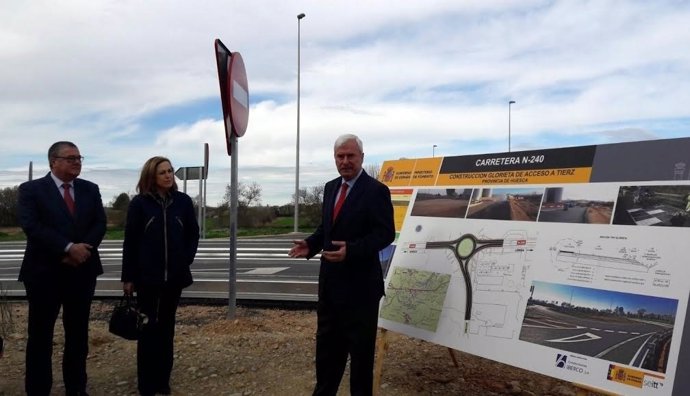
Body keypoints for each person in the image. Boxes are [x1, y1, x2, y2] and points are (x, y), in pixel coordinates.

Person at [289, 134, 395, 396]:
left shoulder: (376, 191)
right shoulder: (330, 187)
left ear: (361, 157)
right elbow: (326, 228)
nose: (345, 161)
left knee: (360, 362)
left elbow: (385, 234)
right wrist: (311, 245)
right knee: (327, 355)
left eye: (350, 156)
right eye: (340, 156)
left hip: (361, 292)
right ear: (335, 158)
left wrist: (353, 250)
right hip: (330, 289)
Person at [17, 141, 107, 396]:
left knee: (78, 335)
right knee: (40, 336)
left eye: (79, 157)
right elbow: (32, 226)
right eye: (70, 158)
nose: (77, 162)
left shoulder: (90, 189)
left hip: (82, 271)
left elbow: (99, 223)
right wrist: (67, 248)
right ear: (53, 162)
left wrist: (83, 250)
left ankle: (76, 388)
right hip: (44, 273)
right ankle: (38, 389)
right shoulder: (31, 190)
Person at [121, 156, 199, 396]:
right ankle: (147, 383)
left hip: (174, 277)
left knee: (167, 328)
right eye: (162, 172)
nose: (168, 175)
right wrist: (128, 276)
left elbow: (192, 235)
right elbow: (130, 242)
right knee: (147, 329)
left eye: (170, 171)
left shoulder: (183, 202)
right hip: (147, 277)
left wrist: (184, 259)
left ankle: (163, 381)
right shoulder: (139, 204)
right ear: (151, 177)